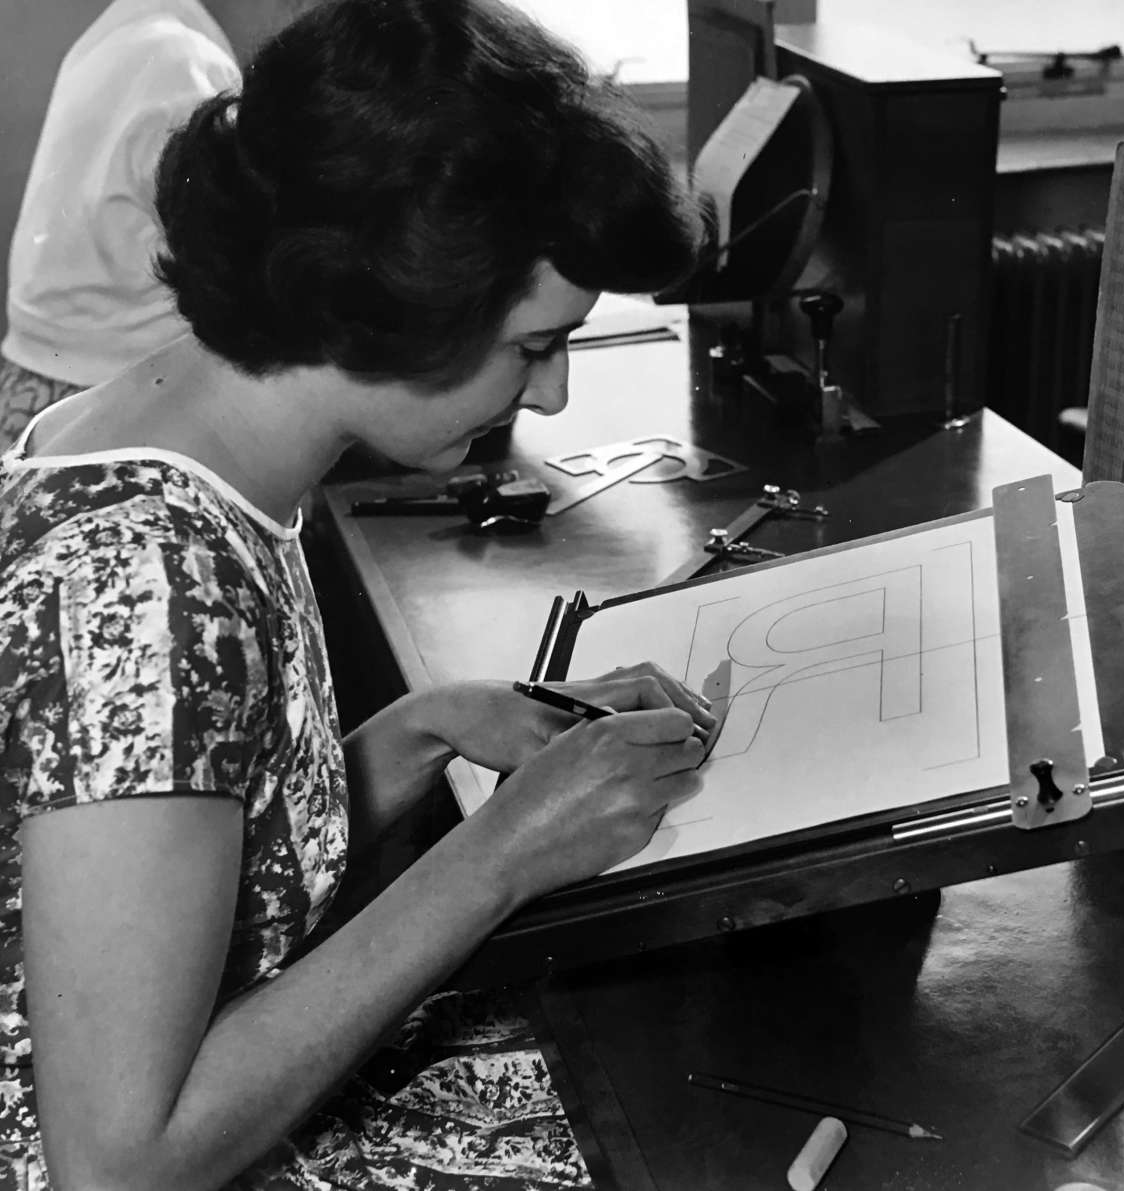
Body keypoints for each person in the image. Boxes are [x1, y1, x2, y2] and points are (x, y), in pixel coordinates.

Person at [0, 0, 711, 1187]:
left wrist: (422, 731)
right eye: (535, 345)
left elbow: (193, 848)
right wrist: (498, 860)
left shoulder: (158, 428)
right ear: (390, 304)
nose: (552, 400)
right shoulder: (148, 598)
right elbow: (116, 1164)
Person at [0, 0, 302, 449]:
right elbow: (247, 270)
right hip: (109, 399)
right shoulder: (187, 64)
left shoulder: (130, 26)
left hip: (33, 390)